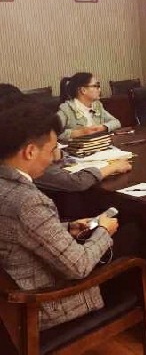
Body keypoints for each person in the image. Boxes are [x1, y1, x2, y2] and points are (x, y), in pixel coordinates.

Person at [0, 102, 119, 330]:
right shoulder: (27, 201)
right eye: (52, 149)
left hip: (14, 294)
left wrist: (66, 228)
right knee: (132, 240)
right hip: (41, 307)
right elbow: (79, 266)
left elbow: (18, 231)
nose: (55, 157)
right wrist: (104, 230)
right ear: (30, 152)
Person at [0, 84, 132, 195]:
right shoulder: (17, 154)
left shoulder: (97, 105)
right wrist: (112, 167)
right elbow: (75, 182)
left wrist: (57, 154)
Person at [57, 72, 121, 142]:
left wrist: (103, 127)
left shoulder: (97, 106)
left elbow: (116, 122)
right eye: (96, 86)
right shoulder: (67, 109)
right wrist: (80, 132)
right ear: (83, 90)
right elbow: (53, 132)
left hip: (99, 145)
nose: (99, 89)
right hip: (78, 148)